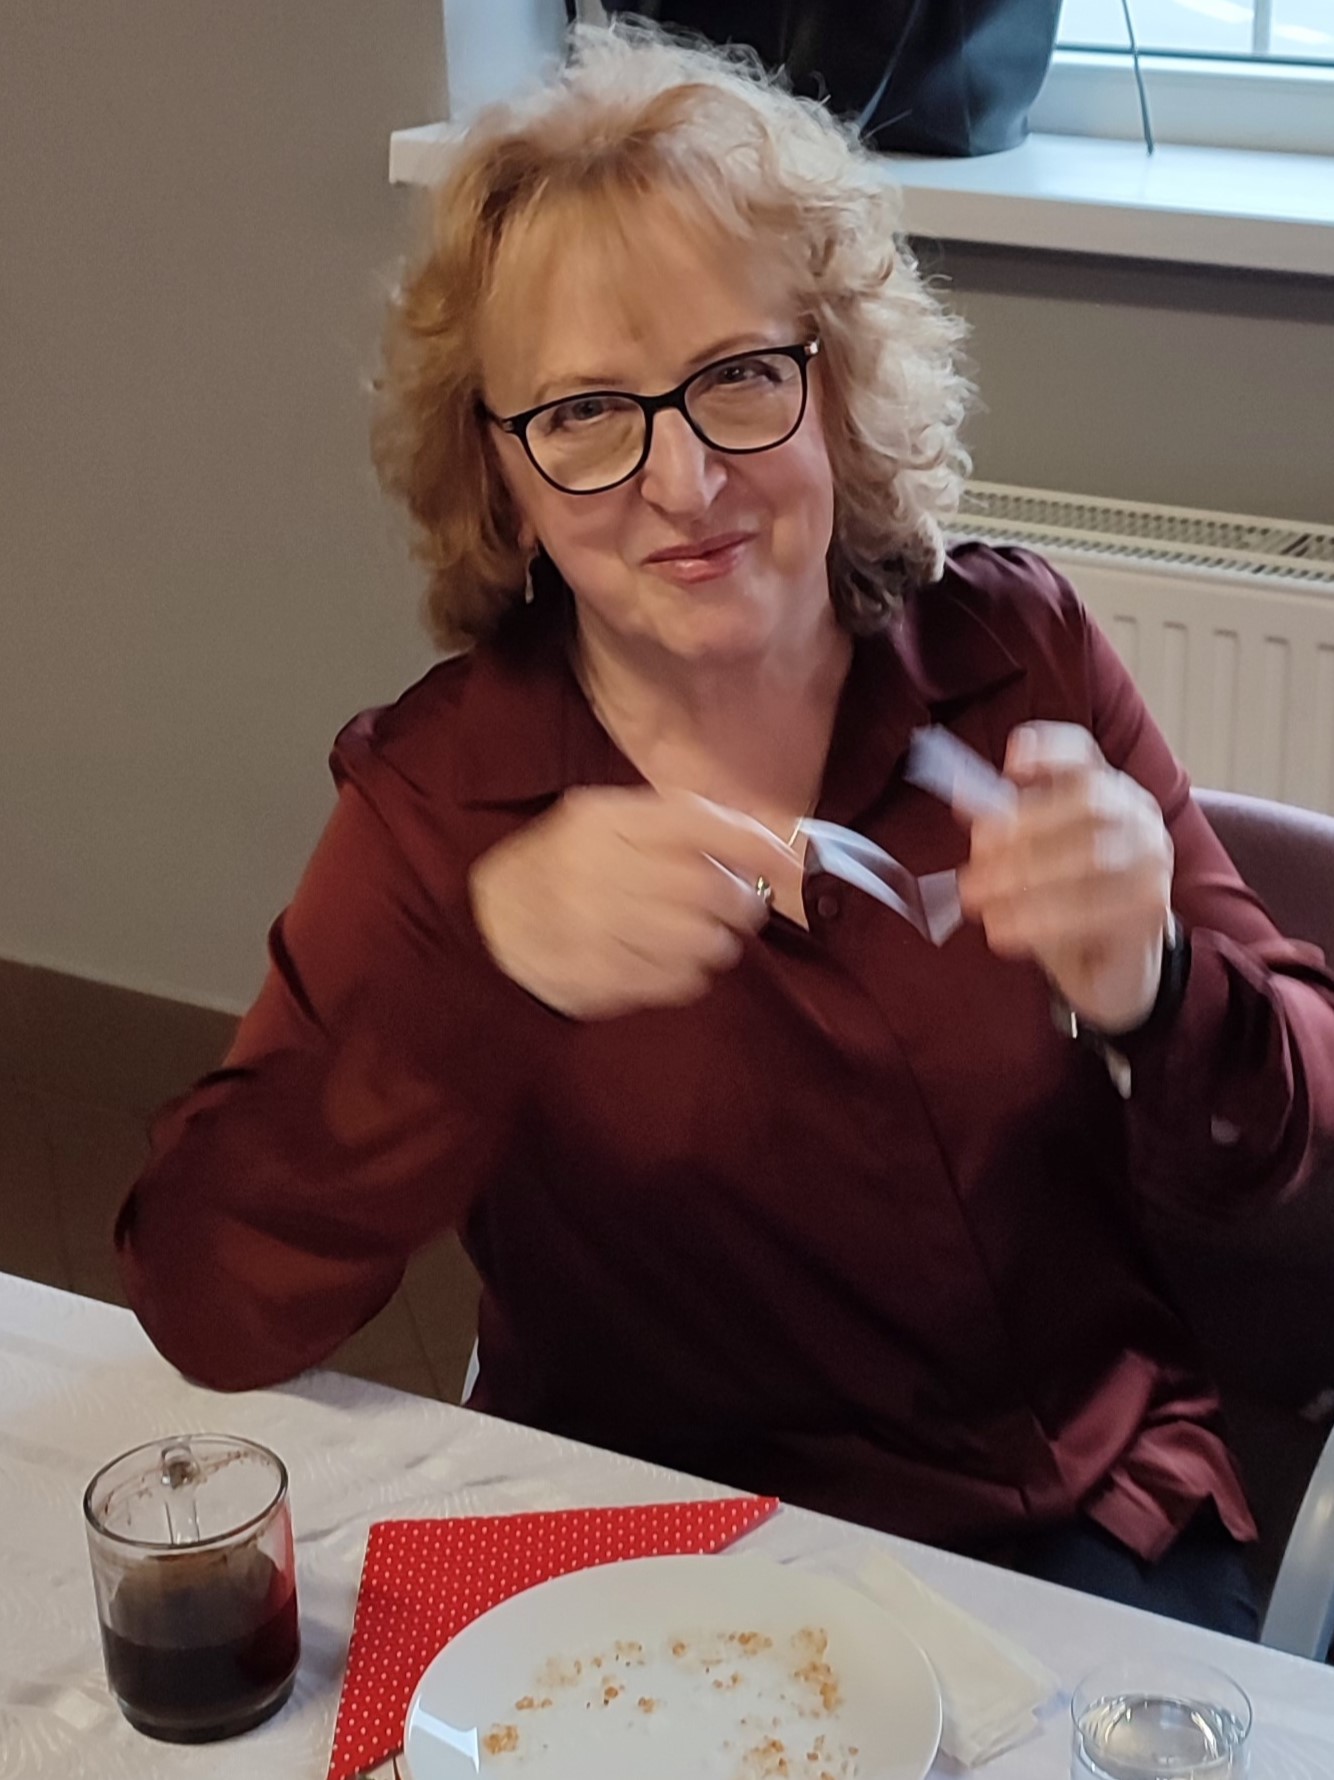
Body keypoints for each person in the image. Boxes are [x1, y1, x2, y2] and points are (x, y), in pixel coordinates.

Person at [116, 22, 1334, 1637]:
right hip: (651, 1566)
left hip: (1062, 1524)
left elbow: (1302, 1150)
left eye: (739, 378)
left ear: (835, 381)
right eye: (582, 414)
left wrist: (1159, 989)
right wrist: (478, 986)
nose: (684, 483)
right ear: (498, 472)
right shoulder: (443, 799)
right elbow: (209, 1303)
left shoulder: (1011, 654)